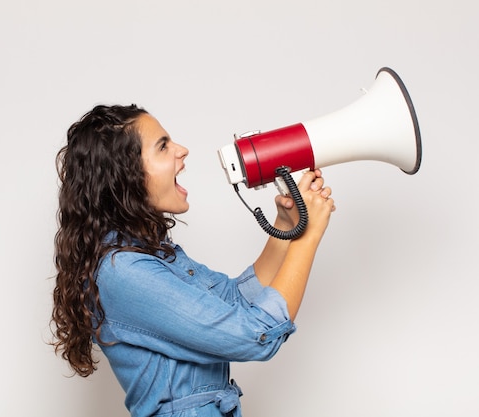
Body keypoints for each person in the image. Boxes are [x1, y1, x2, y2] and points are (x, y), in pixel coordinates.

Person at [51, 104, 335, 417]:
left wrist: (285, 225)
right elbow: (257, 336)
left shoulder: (150, 252)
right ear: (125, 174)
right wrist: (307, 239)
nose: (182, 150)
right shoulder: (124, 272)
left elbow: (234, 300)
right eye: (162, 146)